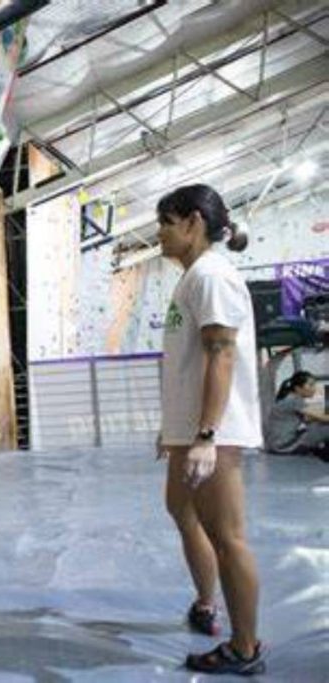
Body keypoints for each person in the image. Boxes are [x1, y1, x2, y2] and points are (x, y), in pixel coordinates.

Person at [155, 184, 266, 675]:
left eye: (165, 222)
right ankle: (206, 603)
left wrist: (204, 436)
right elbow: (191, 361)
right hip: (190, 429)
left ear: (193, 222)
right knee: (180, 508)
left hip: (213, 433)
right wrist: (175, 428)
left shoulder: (213, 276)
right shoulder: (193, 277)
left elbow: (221, 353)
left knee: (228, 537)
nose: (159, 233)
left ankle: (246, 651)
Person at [267, 371, 329, 458]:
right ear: (298, 388)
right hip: (283, 446)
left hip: (276, 444)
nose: (314, 389)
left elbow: (310, 419)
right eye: (310, 385)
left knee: (317, 426)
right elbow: (323, 418)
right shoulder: (294, 400)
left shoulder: (290, 398)